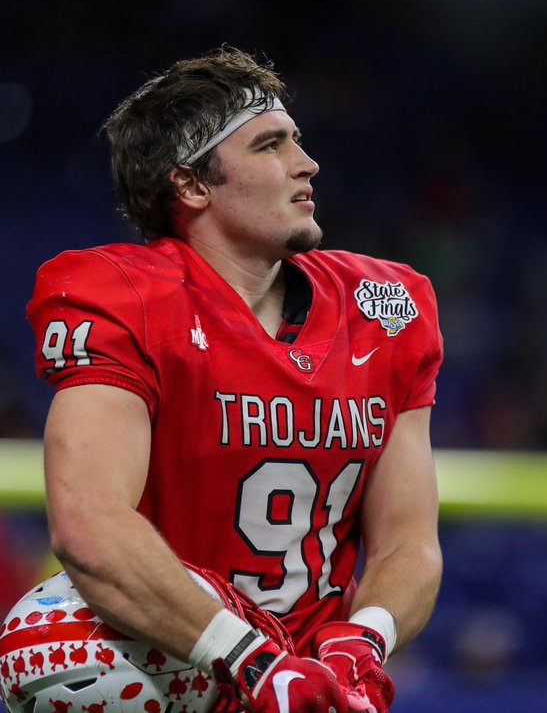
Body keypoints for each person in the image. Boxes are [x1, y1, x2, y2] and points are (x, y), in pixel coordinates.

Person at [24, 47, 444, 713]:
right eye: (270, 145)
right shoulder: (123, 296)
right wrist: (252, 661)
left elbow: (409, 541)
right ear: (192, 185)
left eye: (296, 140)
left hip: (316, 684)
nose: (306, 163)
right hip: (186, 665)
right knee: (46, 644)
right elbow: (88, 523)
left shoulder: (385, 305)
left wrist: (364, 637)